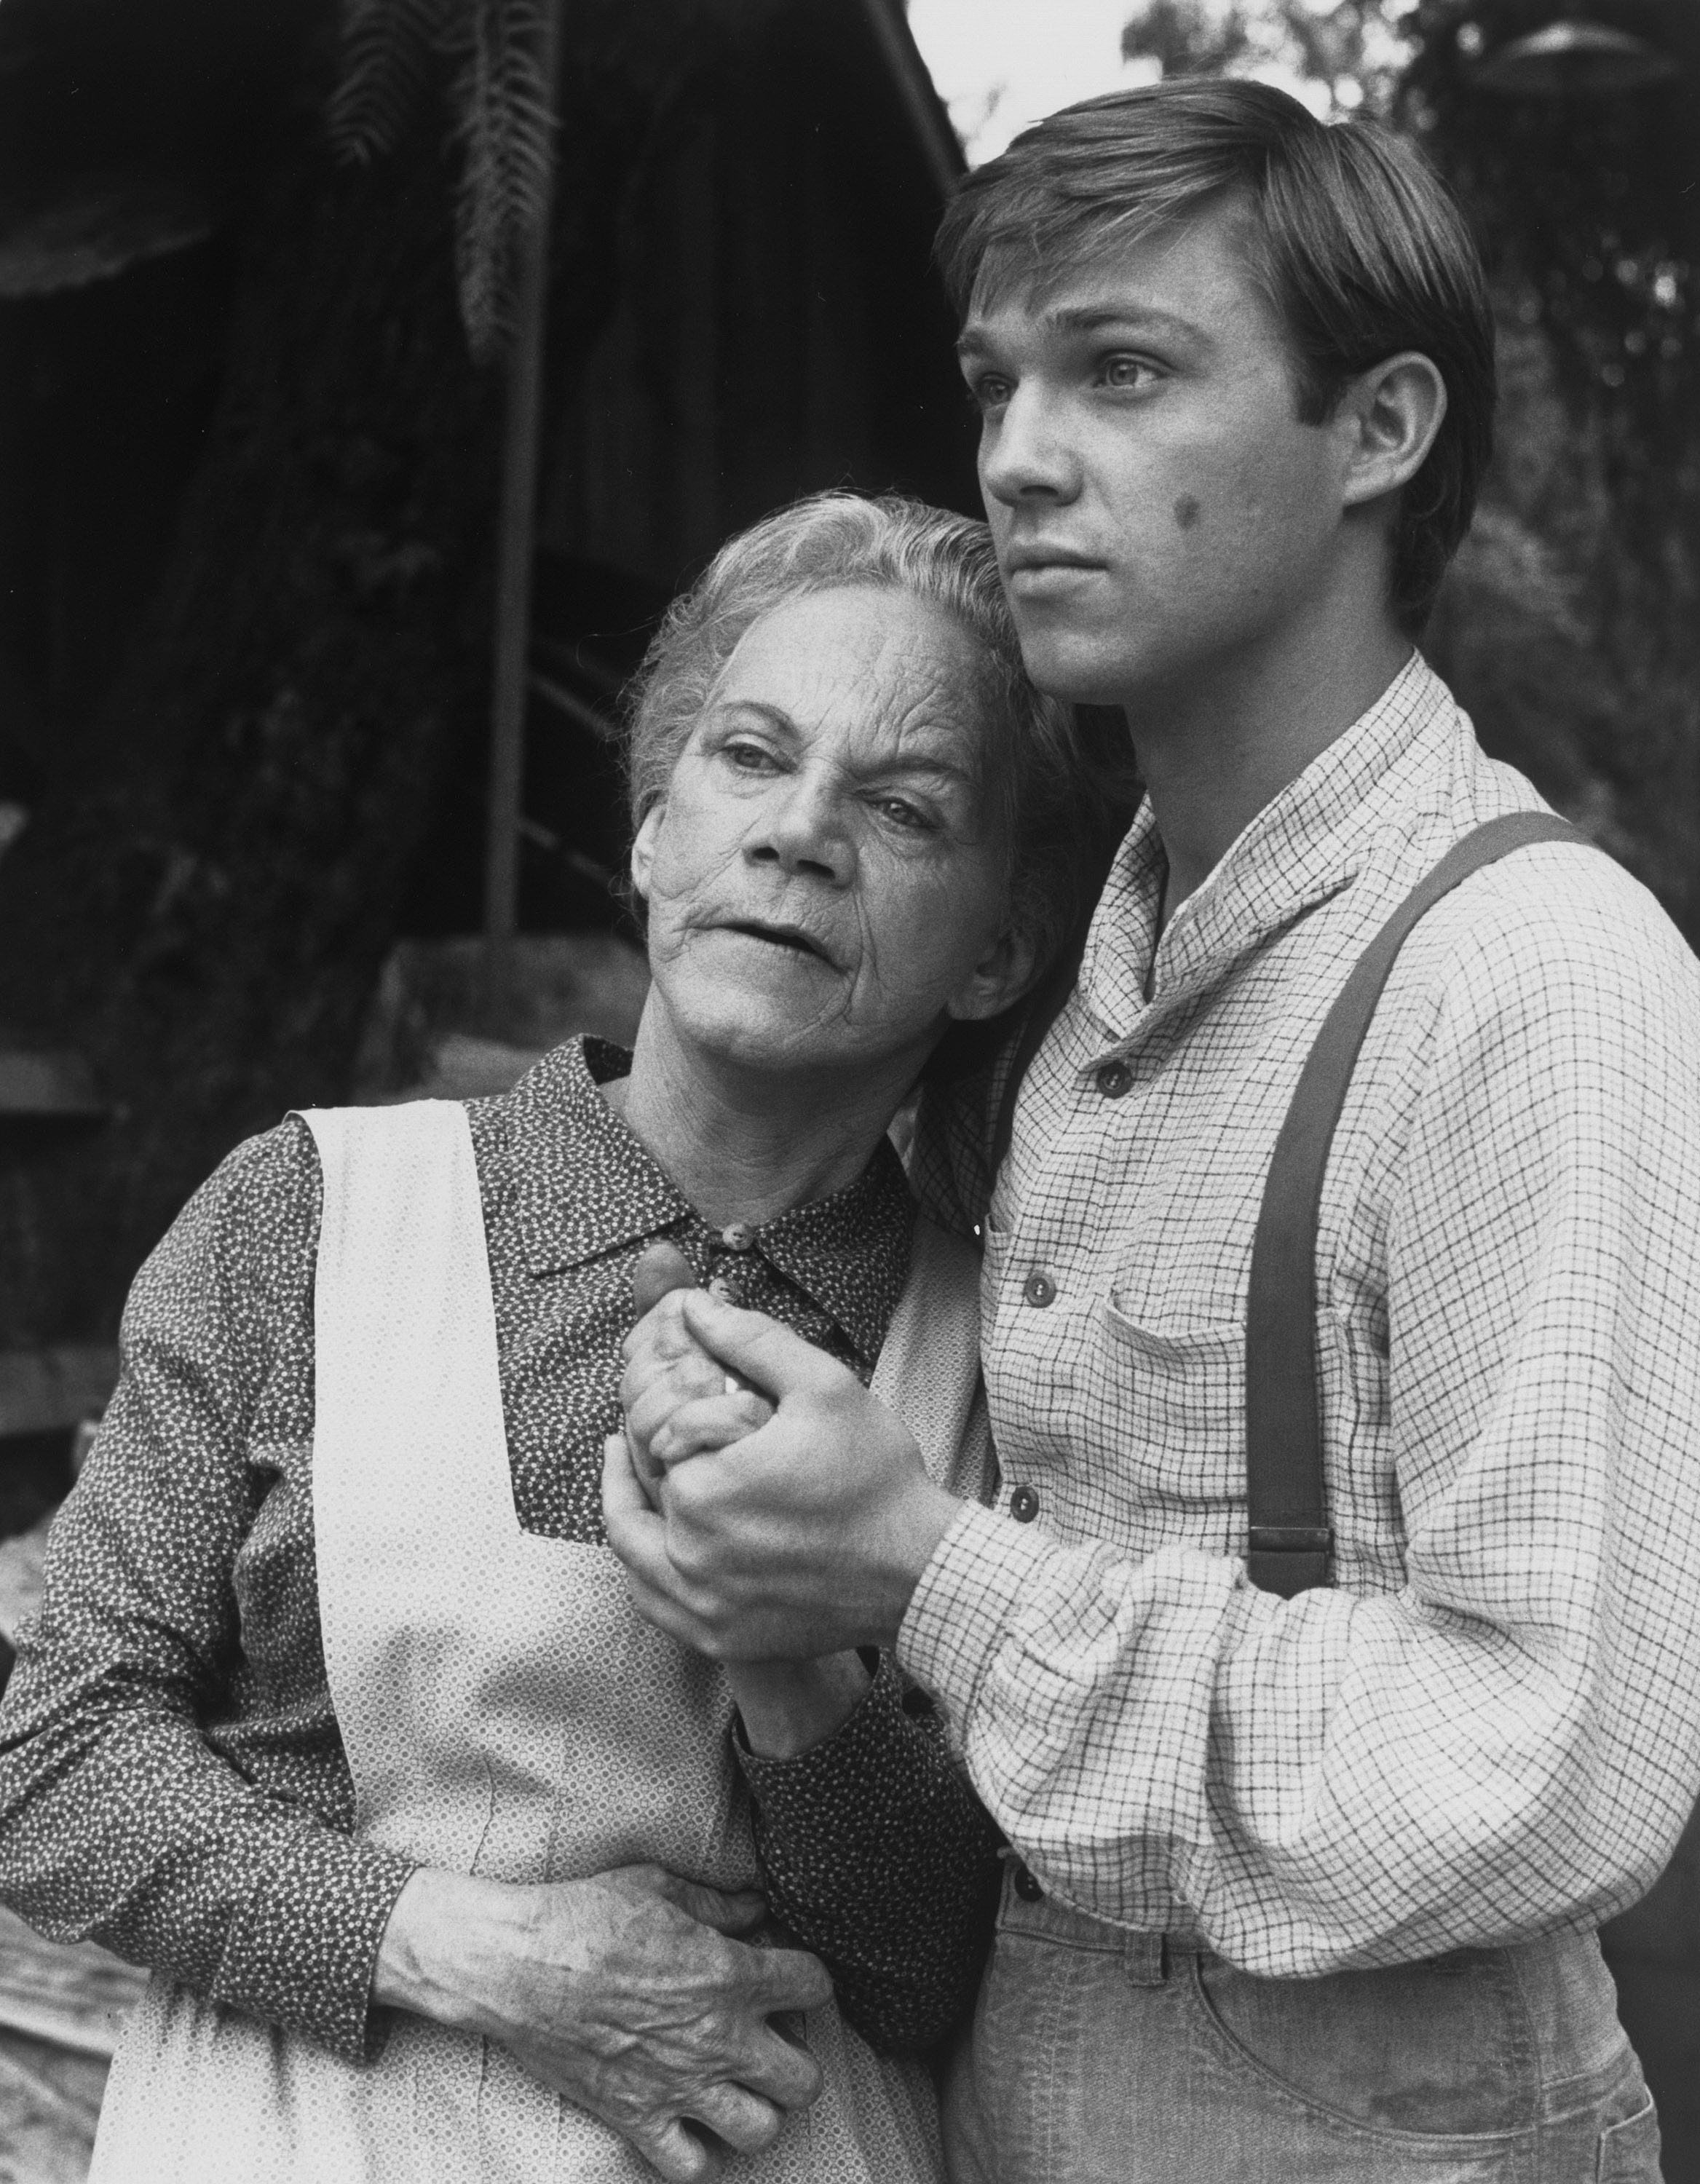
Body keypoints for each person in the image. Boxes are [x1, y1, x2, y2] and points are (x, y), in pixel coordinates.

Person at [604, 82, 1700, 2184]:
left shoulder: (1527, 972)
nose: (1018, 455)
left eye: (1122, 372)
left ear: (1377, 432)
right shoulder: (1076, 975)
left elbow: (1550, 1766)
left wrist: (921, 1570)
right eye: (997, 382)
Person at [0, 493, 1118, 2183]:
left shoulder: (1006, 1356)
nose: (800, 834)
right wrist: (463, 1946)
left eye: (902, 806)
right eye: (749, 758)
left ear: (1000, 950)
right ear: (652, 832)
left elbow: (930, 1968)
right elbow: (55, 1757)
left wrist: (779, 1639)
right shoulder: (301, 1218)